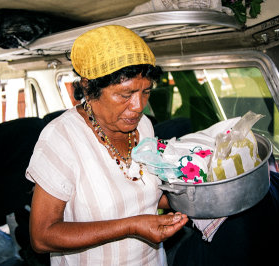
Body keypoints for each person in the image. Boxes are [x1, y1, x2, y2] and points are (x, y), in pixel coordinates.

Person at [26, 25, 188, 265]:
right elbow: (42, 237)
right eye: (125, 94)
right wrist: (131, 226)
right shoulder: (61, 137)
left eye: (146, 92)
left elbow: (144, 194)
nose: (138, 106)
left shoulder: (144, 126)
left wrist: (197, 198)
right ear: (89, 87)